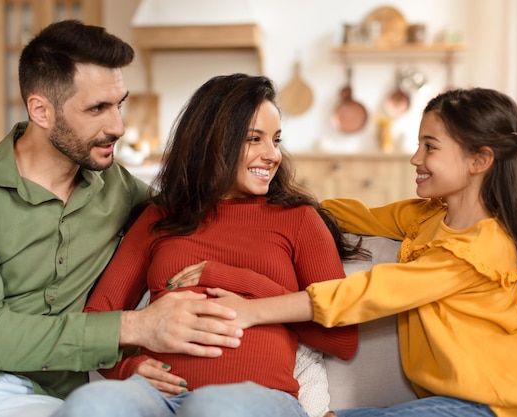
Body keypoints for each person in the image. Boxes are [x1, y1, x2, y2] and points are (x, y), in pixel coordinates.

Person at [0, 20, 244, 417]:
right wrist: (136, 327)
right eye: (97, 108)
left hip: (34, 400)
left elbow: (203, 224)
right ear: (41, 110)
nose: (118, 126)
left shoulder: (120, 189)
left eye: (119, 104)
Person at [189, 87, 517, 417]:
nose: (415, 158)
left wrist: (253, 311)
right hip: (441, 404)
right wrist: (282, 207)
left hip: (492, 407)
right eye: (419, 144)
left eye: (430, 147)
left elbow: (368, 292)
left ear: (479, 160)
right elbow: (359, 215)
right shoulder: (428, 217)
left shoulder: (482, 248)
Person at [52, 73, 368, 417]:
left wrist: (232, 279)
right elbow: (97, 317)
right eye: (254, 139)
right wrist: (127, 369)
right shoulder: (161, 217)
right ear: (213, 142)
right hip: (159, 397)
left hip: (256, 399)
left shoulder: (299, 219)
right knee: (90, 404)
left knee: (212, 407)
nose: (272, 155)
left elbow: (342, 339)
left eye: (276, 140)